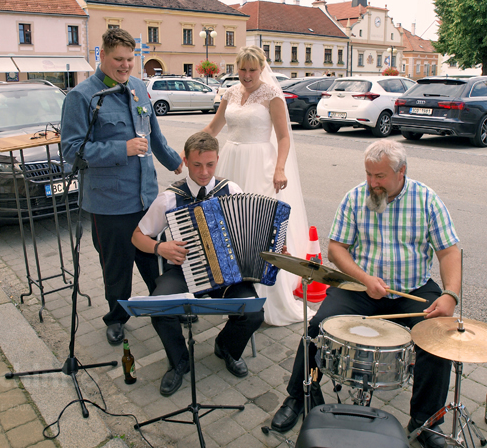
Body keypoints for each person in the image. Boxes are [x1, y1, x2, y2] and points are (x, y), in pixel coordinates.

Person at [270, 139, 461, 448]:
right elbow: (336, 249)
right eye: (369, 174)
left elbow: (449, 251)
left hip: (413, 287)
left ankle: (426, 421)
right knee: (318, 327)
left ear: (401, 172)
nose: (373, 183)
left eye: (380, 176)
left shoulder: (427, 200)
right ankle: (297, 396)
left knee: (438, 339)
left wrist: (450, 295)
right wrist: (364, 278)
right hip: (360, 287)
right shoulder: (355, 198)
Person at [61, 27, 183, 346]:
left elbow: (154, 133)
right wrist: (121, 149)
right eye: (119, 59)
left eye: (130, 59)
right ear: (102, 55)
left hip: (146, 198)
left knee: (157, 260)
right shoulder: (82, 97)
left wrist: (174, 162)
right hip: (109, 203)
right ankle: (116, 317)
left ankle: (168, 308)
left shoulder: (139, 88)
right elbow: (71, 151)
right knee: (117, 268)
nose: (126, 65)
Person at [132, 132, 263, 395]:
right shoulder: (170, 198)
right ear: (186, 161)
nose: (204, 172)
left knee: (253, 313)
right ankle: (179, 360)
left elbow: (249, 230)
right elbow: (137, 236)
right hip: (182, 270)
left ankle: (226, 347)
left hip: (226, 273)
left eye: (210, 165)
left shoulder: (231, 191)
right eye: (196, 165)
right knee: (160, 307)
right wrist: (160, 247)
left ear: (217, 160)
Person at [201, 46, 310, 326]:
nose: (247, 75)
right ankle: (234, 294)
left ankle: (265, 300)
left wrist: (279, 167)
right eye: (242, 69)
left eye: (252, 69)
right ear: (236, 68)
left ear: (261, 69)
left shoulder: (272, 96)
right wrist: (190, 149)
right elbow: (214, 128)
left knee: (259, 231)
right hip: (230, 160)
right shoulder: (231, 93)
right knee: (229, 230)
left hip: (260, 164)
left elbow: (284, 137)